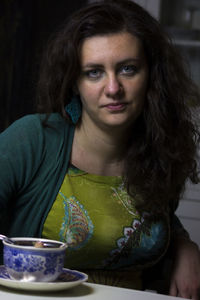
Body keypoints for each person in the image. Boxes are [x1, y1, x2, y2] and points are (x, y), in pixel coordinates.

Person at [0, 0, 200, 298]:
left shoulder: (160, 149)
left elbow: (153, 220)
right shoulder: (33, 139)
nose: (113, 88)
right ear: (74, 82)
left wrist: (185, 246)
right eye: (94, 72)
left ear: (151, 76)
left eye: (128, 69)